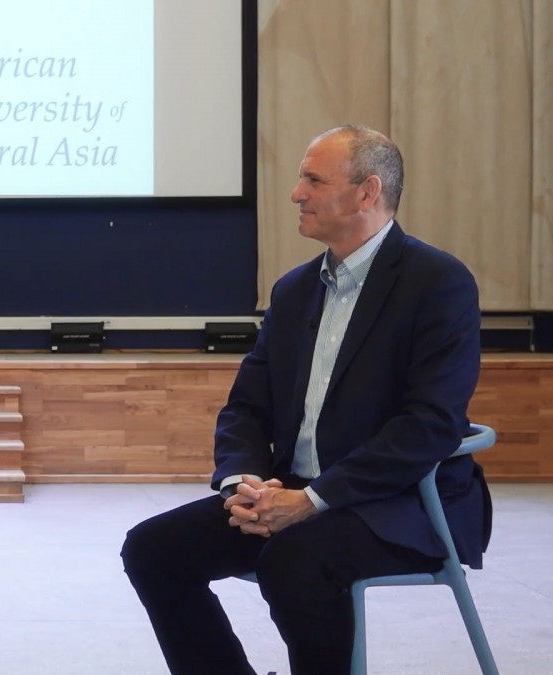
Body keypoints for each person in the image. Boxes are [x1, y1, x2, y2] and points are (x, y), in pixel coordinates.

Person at [121, 125, 490, 675]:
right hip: (288, 492)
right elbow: (248, 407)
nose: (296, 193)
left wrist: (314, 500)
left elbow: (429, 425)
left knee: (295, 560)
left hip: (401, 503)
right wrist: (244, 483)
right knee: (152, 549)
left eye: (314, 180)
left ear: (367, 192)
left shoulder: (438, 282)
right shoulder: (294, 290)